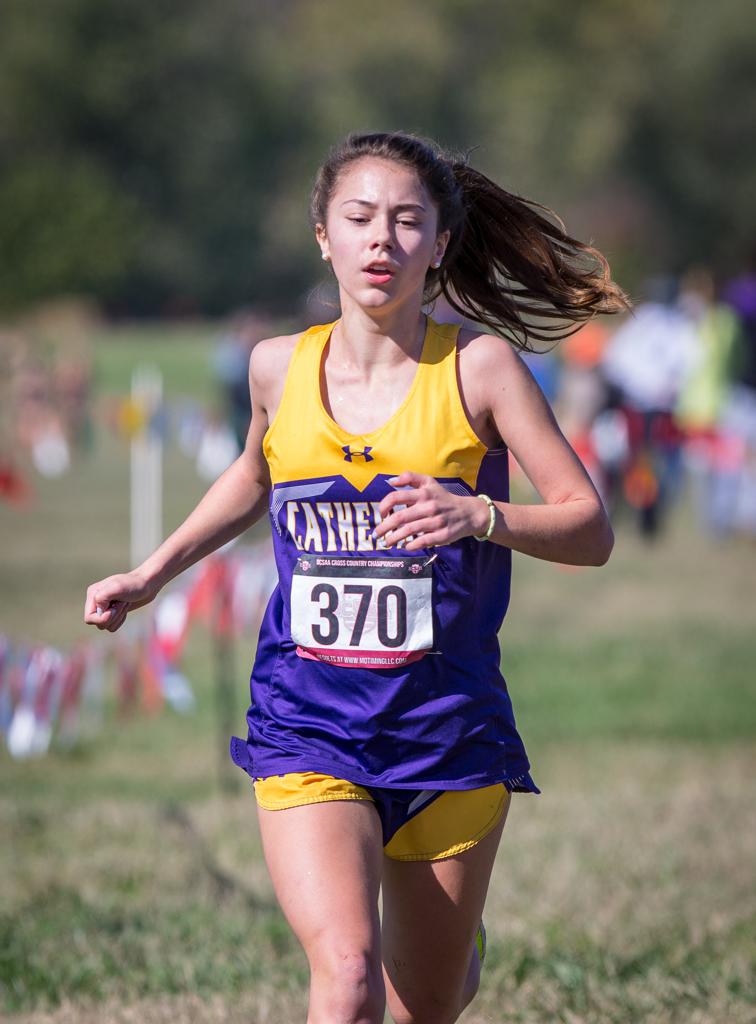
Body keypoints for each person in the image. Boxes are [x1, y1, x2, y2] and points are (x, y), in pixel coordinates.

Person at [84, 132, 625, 1024]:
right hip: (308, 720)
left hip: (446, 730)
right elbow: (256, 475)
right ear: (323, 237)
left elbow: (590, 527)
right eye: (361, 218)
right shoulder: (276, 367)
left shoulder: (480, 369)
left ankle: (454, 963)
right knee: (345, 975)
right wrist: (151, 574)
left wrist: (478, 515)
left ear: (440, 244)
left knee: (428, 1002)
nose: (384, 240)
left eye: (409, 221)